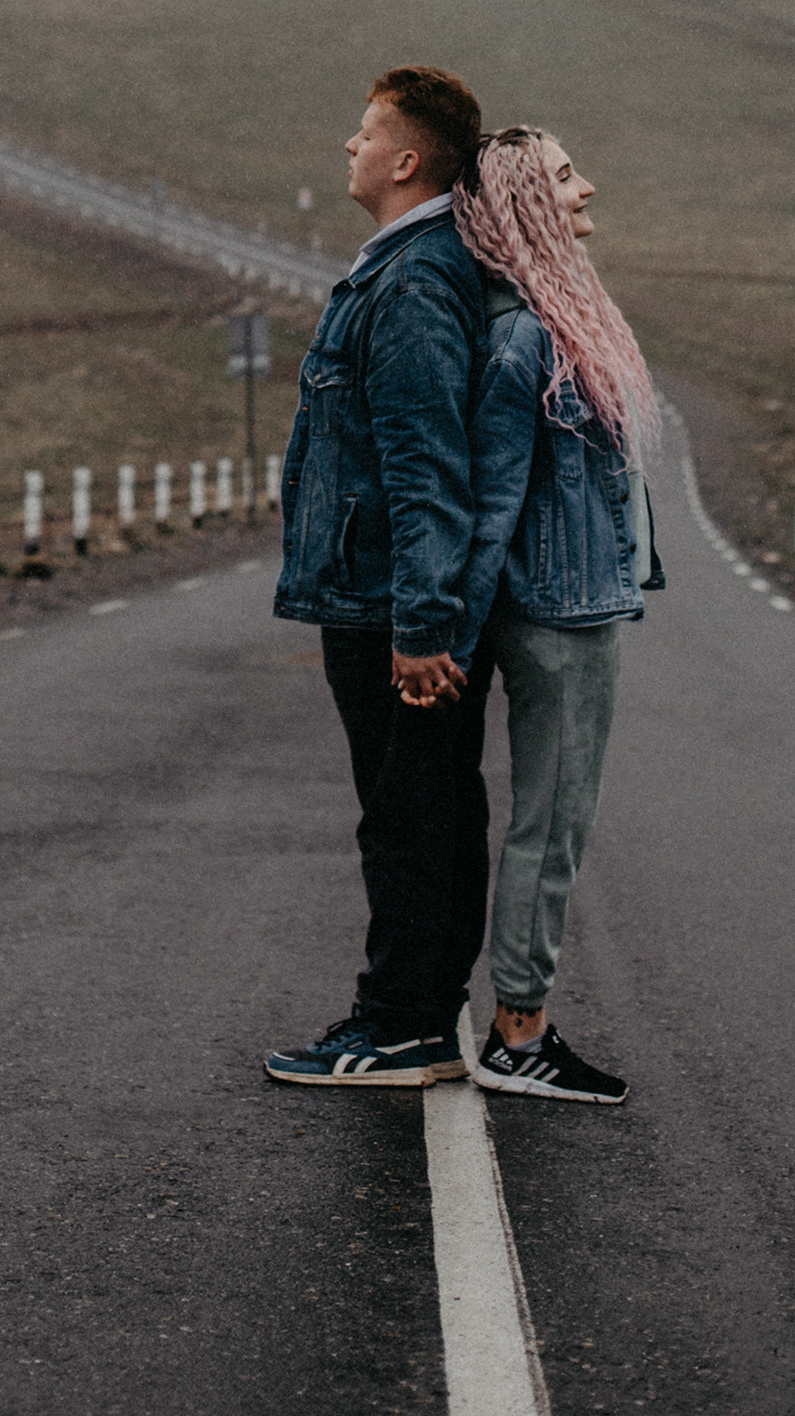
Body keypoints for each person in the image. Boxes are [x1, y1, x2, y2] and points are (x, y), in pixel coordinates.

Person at [264, 65, 493, 1086]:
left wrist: (420, 624)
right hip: (381, 597)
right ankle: (418, 1015)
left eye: (362, 135)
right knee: (423, 806)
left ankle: (399, 1022)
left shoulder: (407, 283)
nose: (345, 149)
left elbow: (425, 465)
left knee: (406, 815)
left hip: (386, 604)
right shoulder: (408, 267)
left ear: (406, 161)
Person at [448, 124, 665, 1104]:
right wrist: (442, 646)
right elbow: (490, 503)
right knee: (553, 824)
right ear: (525, 204)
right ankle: (517, 1033)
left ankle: (510, 1019)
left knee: (551, 822)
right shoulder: (523, 339)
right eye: (565, 178)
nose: (587, 190)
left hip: (573, 603)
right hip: (556, 618)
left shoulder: (542, 319)